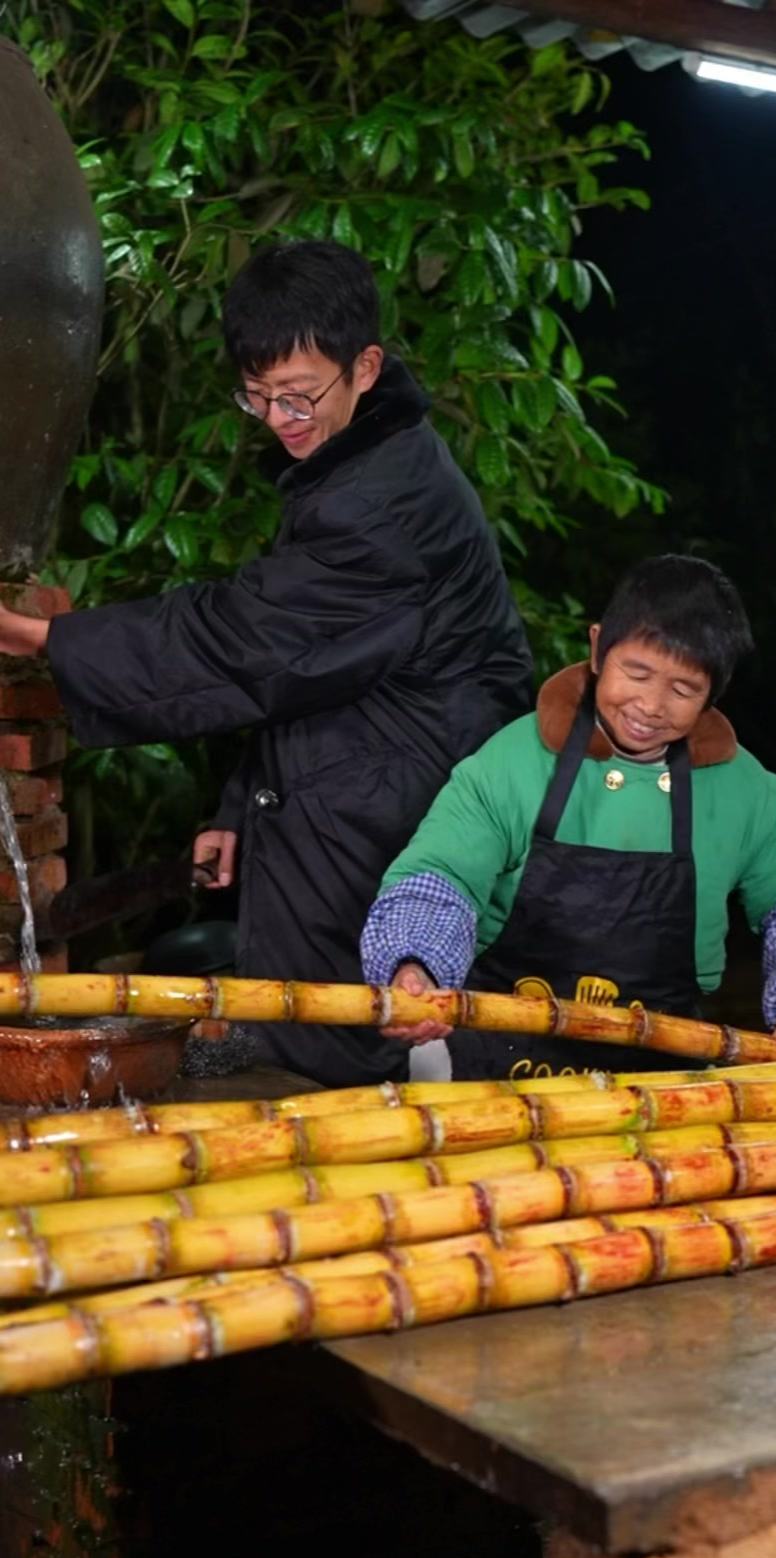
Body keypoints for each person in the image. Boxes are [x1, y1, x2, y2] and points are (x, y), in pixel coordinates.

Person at [0, 240, 533, 1085]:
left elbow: (243, 638)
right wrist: (240, 809)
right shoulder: (349, 458)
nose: (280, 418)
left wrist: (44, 640)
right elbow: (311, 669)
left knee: (352, 1047)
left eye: (297, 395)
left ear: (365, 366)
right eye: (257, 397)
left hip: (399, 814)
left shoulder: (385, 502)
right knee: (300, 1021)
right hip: (344, 783)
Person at [360, 553, 776, 1076]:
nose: (650, 705)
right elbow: (442, 876)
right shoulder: (512, 762)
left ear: (713, 694)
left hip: (662, 1076)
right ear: (599, 648)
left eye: (683, 689)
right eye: (637, 673)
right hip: (490, 1064)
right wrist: (415, 966)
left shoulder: (743, 791)